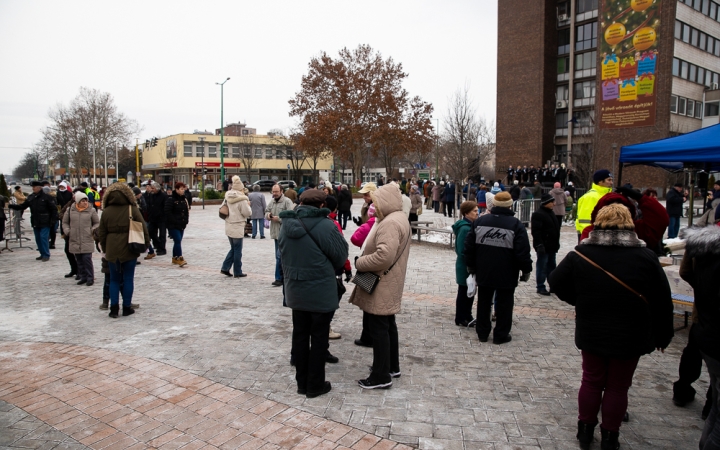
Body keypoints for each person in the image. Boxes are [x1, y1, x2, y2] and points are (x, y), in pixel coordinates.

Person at [549, 203, 674, 450]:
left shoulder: (581, 254)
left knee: (592, 380)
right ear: (630, 224)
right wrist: (664, 333)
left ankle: (585, 430)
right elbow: (662, 300)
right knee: (618, 385)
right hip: (631, 332)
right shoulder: (646, 257)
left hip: (593, 327)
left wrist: (580, 299)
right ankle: (610, 436)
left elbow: (555, 281)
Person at [279, 189, 348, 398]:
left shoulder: (286, 225)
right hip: (319, 291)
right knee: (318, 338)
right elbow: (340, 255)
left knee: (300, 335)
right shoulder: (326, 225)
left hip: (296, 290)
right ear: (321, 205)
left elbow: (281, 253)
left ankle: (302, 383)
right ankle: (315, 384)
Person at [349, 184, 411, 389]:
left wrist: (360, 262)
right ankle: (391, 366)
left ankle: (380, 375)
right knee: (387, 326)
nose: (373, 205)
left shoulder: (390, 223)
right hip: (388, 280)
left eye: (376, 200)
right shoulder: (399, 217)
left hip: (381, 281)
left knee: (379, 329)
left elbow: (384, 256)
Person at [464, 191, 532, 344]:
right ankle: (501, 334)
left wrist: (471, 266)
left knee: (483, 302)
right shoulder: (516, 225)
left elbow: (469, 247)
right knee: (504, 304)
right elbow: (522, 251)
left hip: (484, 270)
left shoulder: (480, 222)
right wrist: (526, 269)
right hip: (507, 272)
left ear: (494, 204)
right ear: (510, 206)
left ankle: (482, 333)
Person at [678, 225, 720, 448]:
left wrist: (701, 290)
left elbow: (685, 271)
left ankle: (682, 390)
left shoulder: (700, 242)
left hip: (702, 319)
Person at [98, 182, 150, 318]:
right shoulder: (132, 209)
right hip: (130, 247)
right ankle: (127, 307)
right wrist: (146, 244)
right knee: (128, 278)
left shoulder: (106, 211)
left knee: (114, 279)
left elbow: (101, 233)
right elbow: (143, 228)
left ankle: (113, 309)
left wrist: (104, 248)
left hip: (112, 249)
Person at [8, 181, 57, 261]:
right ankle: (42, 253)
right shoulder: (31, 197)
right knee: (38, 238)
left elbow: (53, 209)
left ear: (39, 187)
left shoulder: (47, 197)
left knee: (43, 237)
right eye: (32, 187)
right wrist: (12, 206)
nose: (33, 188)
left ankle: (46, 254)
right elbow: (23, 206)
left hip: (45, 221)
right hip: (35, 221)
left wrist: (53, 219)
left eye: (34, 187)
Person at [62, 191, 100, 286]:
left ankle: (90, 277)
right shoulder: (70, 210)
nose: (85, 202)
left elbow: (97, 222)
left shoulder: (91, 210)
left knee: (87, 258)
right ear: (78, 201)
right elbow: (65, 222)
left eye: (86, 200)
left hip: (87, 237)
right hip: (74, 237)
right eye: (82, 201)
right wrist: (67, 231)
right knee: (79, 259)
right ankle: (83, 276)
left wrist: (92, 230)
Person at [452, 201, 479, 326]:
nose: (477, 212)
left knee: (470, 291)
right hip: (465, 266)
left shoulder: (470, 226)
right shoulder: (464, 228)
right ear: (467, 213)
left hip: (468, 264)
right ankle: (461, 317)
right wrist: (470, 263)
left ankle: (467, 315)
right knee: (464, 292)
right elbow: (461, 250)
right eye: (474, 210)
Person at [220, 176, 252, 277]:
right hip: (238, 226)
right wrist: (248, 205)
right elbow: (247, 213)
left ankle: (225, 267)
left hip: (229, 225)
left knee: (233, 248)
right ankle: (237, 271)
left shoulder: (227, 196)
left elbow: (222, 207)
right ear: (241, 188)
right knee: (237, 250)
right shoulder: (242, 199)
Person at [265, 183, 295, 286]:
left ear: (281, 191)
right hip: (275, 233)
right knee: (278, 256)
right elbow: (266, 211)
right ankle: (282, 277)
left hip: (284, 233)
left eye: (276, 192)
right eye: (273, 192)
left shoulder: (287, 202)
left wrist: (279, 219)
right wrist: (268, 216)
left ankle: (279, 278)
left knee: (279, 256)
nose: (274, 194)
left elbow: (291, 216)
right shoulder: (272, 201)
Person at [531, 194, 560, 296]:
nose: (554, 204)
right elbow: (536, 231)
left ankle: (552, 285)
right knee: (542, 266)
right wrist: (539, 245)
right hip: (543, 246)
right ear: (546, 203)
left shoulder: (551, 213)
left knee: (552, 267)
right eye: (552, 202)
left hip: (552, 246)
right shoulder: (538, 214)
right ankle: (540, 286)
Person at [576, 169, 613, 243]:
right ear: (600, 181)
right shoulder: (591, 197)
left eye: (611, 180)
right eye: (608, 180)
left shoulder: (606, 195)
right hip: (591, 237)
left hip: (601, 235)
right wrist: (588, 237)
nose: (611, 183)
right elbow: (585, 220)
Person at [165, 182, 190, 267]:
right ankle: (180, 258)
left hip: (181, 224)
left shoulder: (184, 199)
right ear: (177, 189)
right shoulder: (171, 199)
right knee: (178, 240)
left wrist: (186, 221)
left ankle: (174, 258)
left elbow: (186, 211)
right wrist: (174, 221)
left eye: (184, 189)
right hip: (173, 225)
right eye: (181, 189)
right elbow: (167, 212)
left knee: (177, 241)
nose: (183, 191)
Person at [143, 182, 168, 256]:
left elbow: (165, 207)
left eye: (153, 188)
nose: (151, 190)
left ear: (157, 188)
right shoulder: (151, 195)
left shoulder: (163, 196)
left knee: (162, 234)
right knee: (150, 232)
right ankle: (158, 244)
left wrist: (164, 215)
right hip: (153, 218)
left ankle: (162, 249)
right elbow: (149, 205)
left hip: (161, 218)